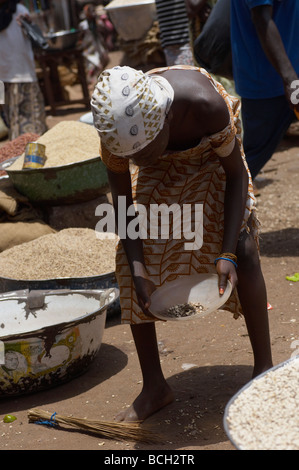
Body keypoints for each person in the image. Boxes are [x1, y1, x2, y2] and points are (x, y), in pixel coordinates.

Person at [91, 64, 273, 422]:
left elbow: (235, 175)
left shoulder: (203, 104)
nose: (137, 162)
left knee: (244, 248)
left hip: (213, 160)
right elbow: (124, 206)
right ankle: (155, 386)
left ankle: (264, 370)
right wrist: (140, 268)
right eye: (134, 158)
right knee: (128, 265)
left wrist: (226, 253)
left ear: (167, 116)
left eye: (144, 151)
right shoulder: (116, 135)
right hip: (164, 168)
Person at [230, 0, 299, 180]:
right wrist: (290, 79)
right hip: (270, 81)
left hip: (288, 76)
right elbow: (261, 17)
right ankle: (217, 203)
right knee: (250, 160)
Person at [0, 0, 47, 140]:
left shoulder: (19, 10)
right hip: (3, 76)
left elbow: (34, 35)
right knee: (11, 119)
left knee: (31, 120)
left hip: (22, 73)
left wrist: (29, 23)